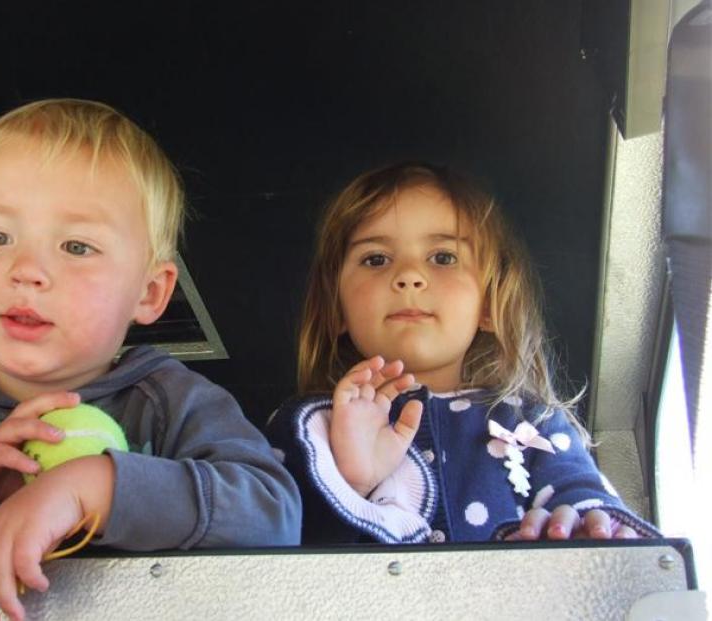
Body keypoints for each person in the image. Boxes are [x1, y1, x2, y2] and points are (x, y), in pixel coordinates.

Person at [0, 99, 302, 621]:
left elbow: (274, 515)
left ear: (149, 292)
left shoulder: (171, 402)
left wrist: (91, 488)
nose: (26, 269)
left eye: (76, 246)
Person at [266, 162, 658, 545]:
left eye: (443, 257)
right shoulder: (309, 425)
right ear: (336, 309)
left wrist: (580, 527)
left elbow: (587, 500)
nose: (408, 276)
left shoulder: (532, 419)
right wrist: (351, 485)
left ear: (489, 306)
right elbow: (273, 553)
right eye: (376, 259)